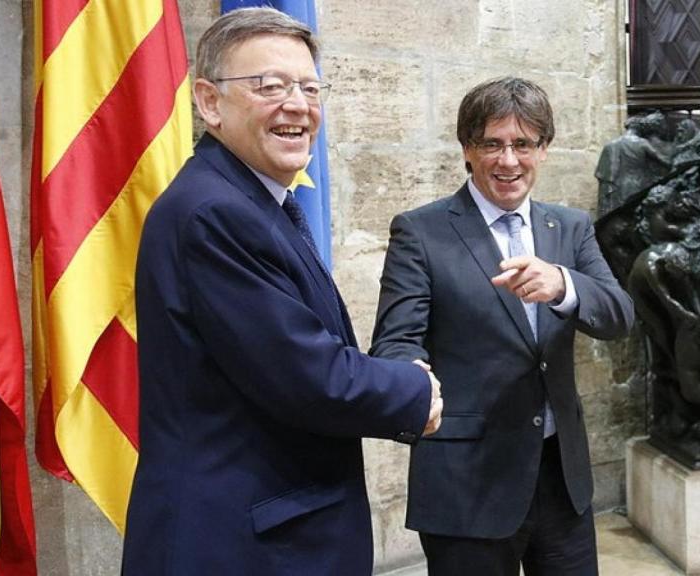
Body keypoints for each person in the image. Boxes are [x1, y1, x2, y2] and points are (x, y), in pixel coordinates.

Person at [121, 8, 443, 575]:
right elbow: (306, 375)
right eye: (269, 86)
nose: (297, 104)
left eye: (309, 86)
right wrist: (413, 391)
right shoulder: (213, 213)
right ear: (210, 102)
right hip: (243, 545)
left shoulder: (252, 201)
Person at [371, 77, 634, 576]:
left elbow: (619, 314)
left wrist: (562, 285)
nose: (508, 161)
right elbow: (394, 342)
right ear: (467, 149)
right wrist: (412, 380)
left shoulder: (569, 227)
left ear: (544, 149)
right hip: (467, 483)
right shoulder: (421, 231)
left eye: (522, 144)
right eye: (491, 144)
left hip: (562, 481)